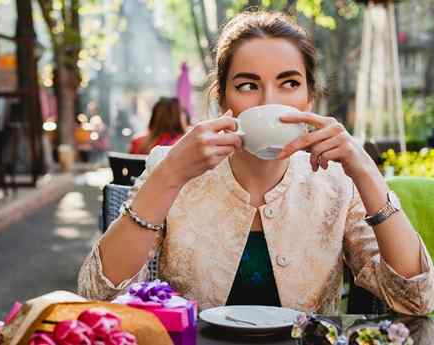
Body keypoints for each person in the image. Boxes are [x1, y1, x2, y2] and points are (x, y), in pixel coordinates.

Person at [78, 11, 434, 315]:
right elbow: (98, 297)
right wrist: (168, 175)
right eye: (248, 86)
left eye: (289, 83)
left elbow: (417, 300)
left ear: (309, 98)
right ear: (222, 99)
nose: (269, 102)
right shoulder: (174, 168)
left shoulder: (339, 182)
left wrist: (366, 173)